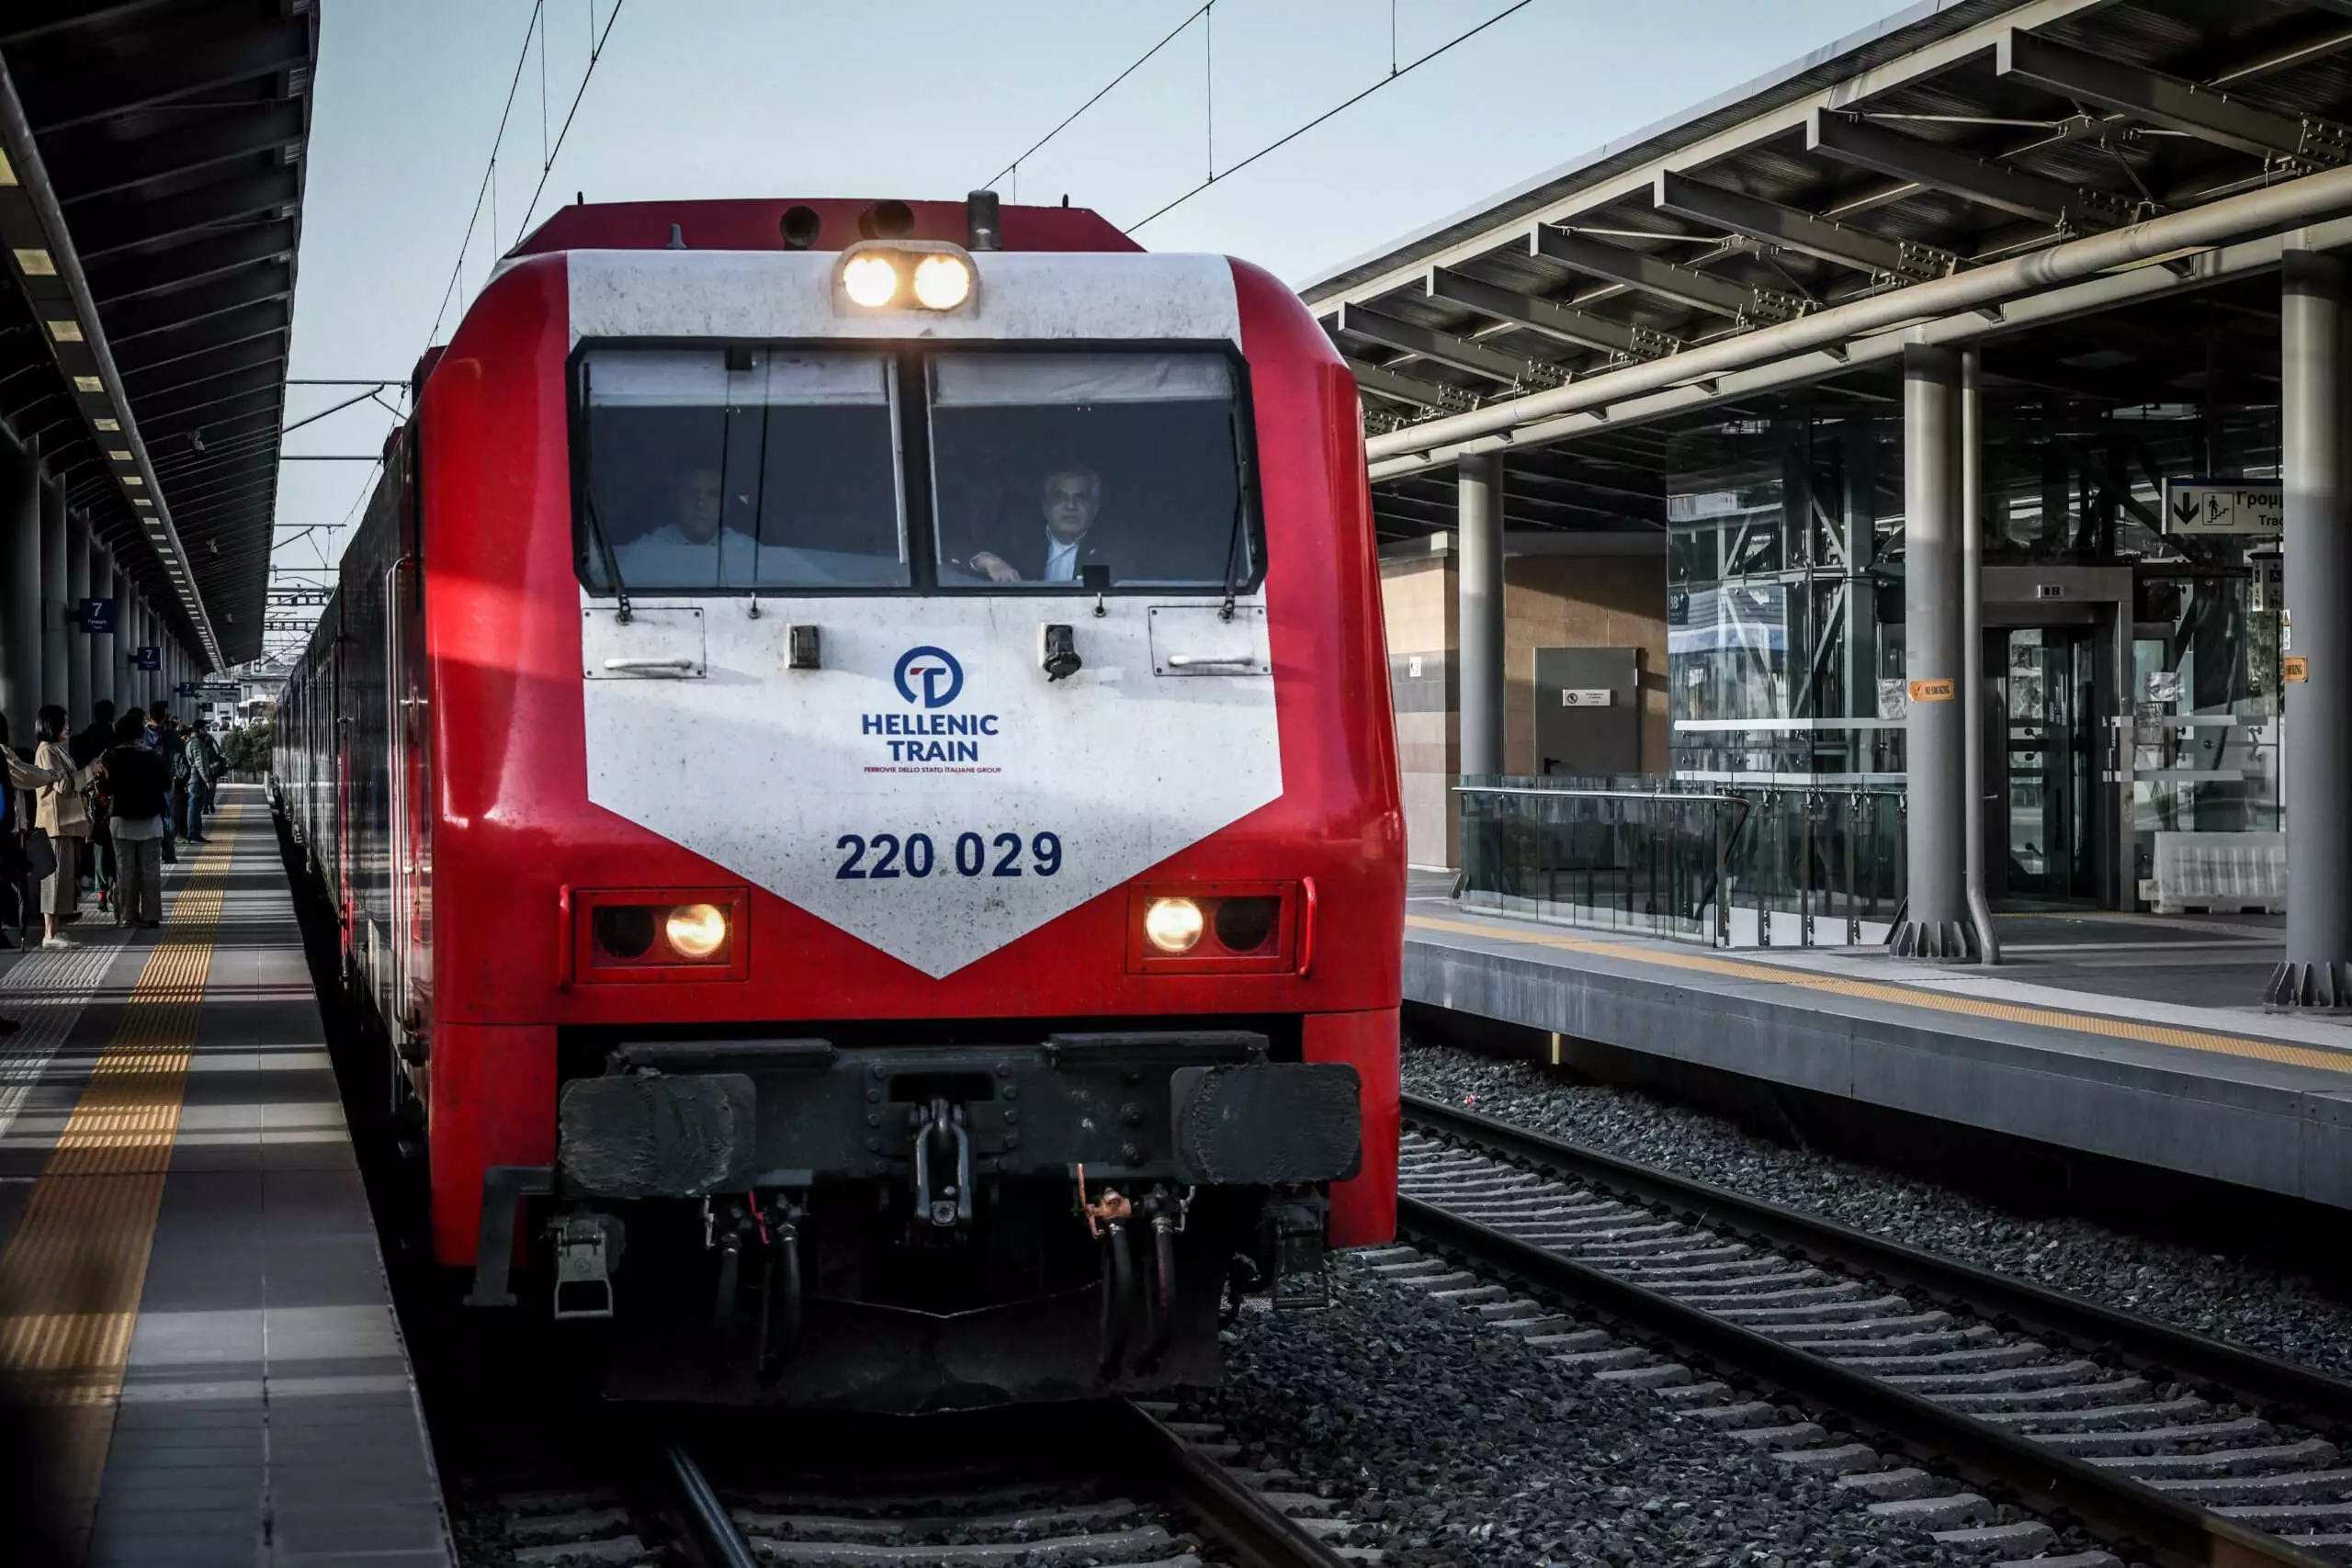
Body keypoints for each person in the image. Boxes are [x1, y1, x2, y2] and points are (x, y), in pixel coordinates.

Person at [614, 463, 757, 586]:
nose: (701, 504)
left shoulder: (749, 553)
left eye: (713, 494)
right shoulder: (645, 554)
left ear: (726, 503)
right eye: (691, 493)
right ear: (674, 499)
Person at [967, 467, 1114, 583]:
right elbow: (955, 553)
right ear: (1045, 508)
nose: (1070, 506)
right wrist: (987, 560)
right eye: (1060, 498)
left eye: (1080, 498)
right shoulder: (1017, 540)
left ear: (1094, 508)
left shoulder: (1117, 549)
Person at [30, 707, 95, 951]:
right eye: (64, 724)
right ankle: (49, 933)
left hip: (64, 824)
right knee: (54, 880)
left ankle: (56, 929)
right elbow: (63, 785)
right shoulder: (46, 751)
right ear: (51, 725)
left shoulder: (56, 749)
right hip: (54, 825)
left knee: (63, 879)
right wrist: (88, 772)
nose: (68, 728)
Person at [97, 712, 168, 930]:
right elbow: (166, 784)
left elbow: (103, 787)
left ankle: (126, 916)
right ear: (140, 733)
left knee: (124, 870)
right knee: (150, 871)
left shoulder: (110, 757)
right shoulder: (153, 755)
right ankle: (151, 915)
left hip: (121, 821)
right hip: (151, 821)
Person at [150, 709, 185, 863]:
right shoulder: (171, 735)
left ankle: (151, 852)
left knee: (150, 816)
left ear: (150, 718)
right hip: (166, 780)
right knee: (167, 816)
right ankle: (169, 853)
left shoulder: (145, 734)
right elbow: (181, 749)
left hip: (148, 781)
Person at [182, 721, 222, 844]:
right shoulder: (197, 743)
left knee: (195, 806)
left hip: (194, 779)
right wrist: (207, 780)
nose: (206, 731)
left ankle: (194, 832)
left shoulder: (190, 741)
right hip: (196, 779)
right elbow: (200, 764)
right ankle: (193, 833)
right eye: (205, 728)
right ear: (200, 730)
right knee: (194, 806)